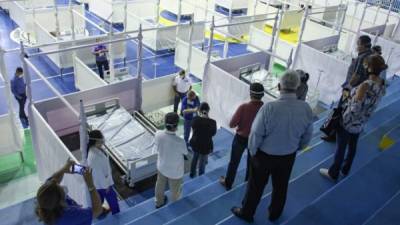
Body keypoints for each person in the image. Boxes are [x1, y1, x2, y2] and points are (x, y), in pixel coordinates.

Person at [231, 70, 314, 222]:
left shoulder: (269, 108)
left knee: (255, 187)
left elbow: (256, 134)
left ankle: (247, 213)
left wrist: (253, 152)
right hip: (288, 156)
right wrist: (298, 148)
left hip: (264, 156)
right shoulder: (306, 108)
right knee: (281, 186)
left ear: (278, 86)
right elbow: (307, 135)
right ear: (297, 88)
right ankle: (275, 214)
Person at [320, 54, 386, 181]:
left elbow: (355, 108)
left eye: (366, 64)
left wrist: (349, 97)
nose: (364, 66)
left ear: (370, 67)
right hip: (362, 122)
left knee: (341, 147)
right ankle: (345, 169)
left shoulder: (365, 85)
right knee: (352, 146)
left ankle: (333, 173)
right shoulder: (382, 84)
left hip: (348, 122)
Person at [321, 35, 373, 142]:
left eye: (358, 44)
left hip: (352, 89)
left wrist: (347, 87)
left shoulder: (361, 57)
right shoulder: (371, 54)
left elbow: (357, 75)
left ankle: (333, 133)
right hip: (360, 90)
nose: (357, 46)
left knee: (340, 109)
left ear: (362, 45)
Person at [219, 82, 265, 191]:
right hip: (256, 140)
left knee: (234, 162)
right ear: (262, 95)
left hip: (240, 138)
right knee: (252, 163)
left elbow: (232, 124)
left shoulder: (244, 107)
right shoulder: (266, 109)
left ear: (250, 94)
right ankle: (247, 184)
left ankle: (228, 183)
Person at [35, 160, 103, 225]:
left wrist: (64, 169)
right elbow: (97, 210)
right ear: (61, 201)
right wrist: (90, 184)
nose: (61, 185)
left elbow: (53, 180)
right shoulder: (69, 216)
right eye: (60, 187)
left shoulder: (46, 198)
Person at [154, 112, 189, 208]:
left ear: (165, 123)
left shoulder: (158, 134)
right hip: (175, 171)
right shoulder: (180, 141)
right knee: (175, 191)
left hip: (162, 167)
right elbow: (185, 153)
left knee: (160, 185)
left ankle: (158, 202)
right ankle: (175, 206)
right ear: (177, 125)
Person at [87, 130, 120, 215]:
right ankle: (116, 214)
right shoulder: (94, 157)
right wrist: (106, 186)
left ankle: (99, 213)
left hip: (99, 184)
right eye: (101, 138)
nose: (103, 139)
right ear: (97, 140)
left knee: (99, 199)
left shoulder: (95, 150)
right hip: (103, 185)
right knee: (112, 200)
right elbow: (99, 174)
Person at [189, 102, 217, 178]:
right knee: (202, 161)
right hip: (206, 145)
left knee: (195, 157)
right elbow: (213, 133)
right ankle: (201, 176)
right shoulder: (213, 122)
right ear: (208, 110)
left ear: (200, 110)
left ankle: (192, 173)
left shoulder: (195, 120)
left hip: (195, 143)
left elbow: (193, 127)